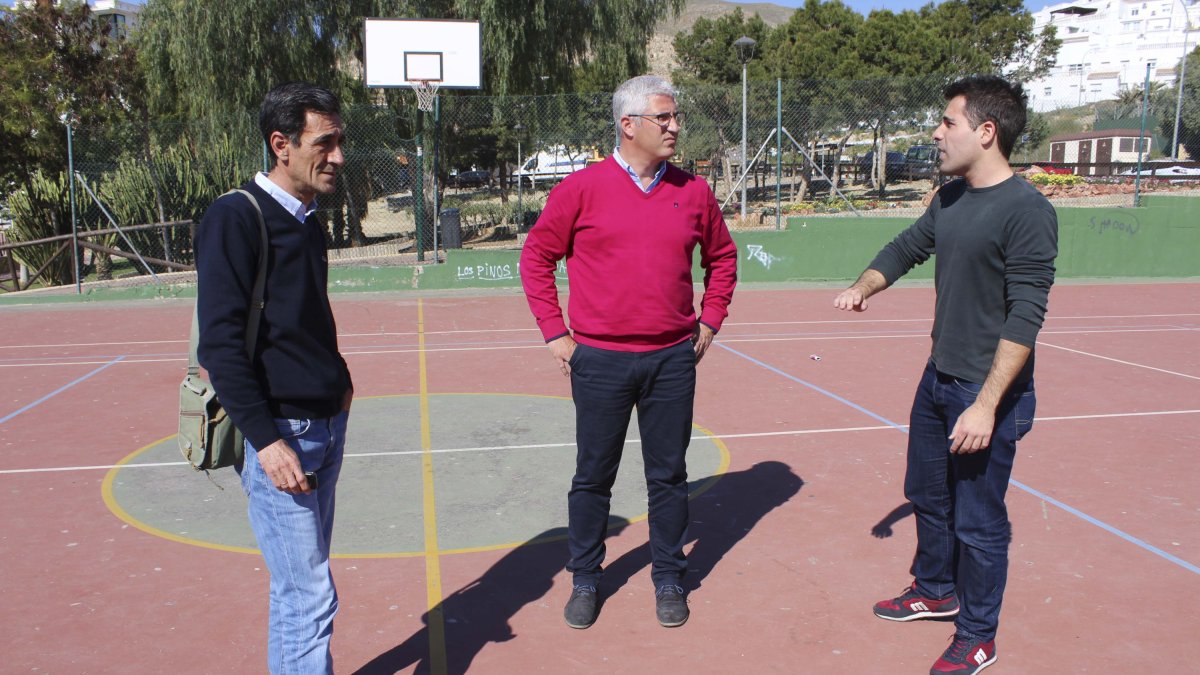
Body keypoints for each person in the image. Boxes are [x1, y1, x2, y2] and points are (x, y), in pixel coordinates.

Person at [834, 75, 1057, 675]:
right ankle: (935, 588)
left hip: (985, 394)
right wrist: (863, 287)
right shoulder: (950, 198)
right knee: (926, 494)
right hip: (937, 378)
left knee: (979, 522)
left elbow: (1026, 315)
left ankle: (979, 636)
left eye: (948, 122)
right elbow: (906, 248)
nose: (937, 132)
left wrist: (986, 405)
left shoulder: (1028, 210)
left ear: (986, 132)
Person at [520, 75, 738, 630]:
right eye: (663, 117)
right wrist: (555, 333)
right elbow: (536, 258)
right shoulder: (580, 189)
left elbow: (723, 259)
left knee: (668, 475)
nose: (674, 126)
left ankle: (668, 576)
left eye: (674, 116)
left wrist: (709, 321)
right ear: (629, 124)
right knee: (593, 475)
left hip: (671, 360)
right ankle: (586, 578)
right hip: (598, 361)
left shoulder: (693, 191)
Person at [195, 81, 353, 674]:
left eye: (341, 141)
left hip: (326, 426)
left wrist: (339, 385)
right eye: (326, 142)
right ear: (280, 144)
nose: (338, 155)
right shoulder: (236, 218)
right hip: (283, 435)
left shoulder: (308, 219)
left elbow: (302, 323)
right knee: (311, 593)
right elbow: (221, 346)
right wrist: (266, 441)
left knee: (297, 589)